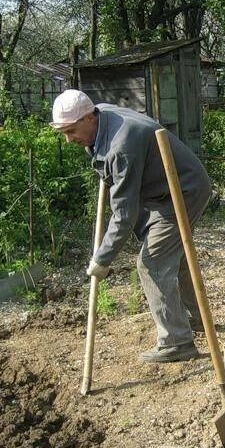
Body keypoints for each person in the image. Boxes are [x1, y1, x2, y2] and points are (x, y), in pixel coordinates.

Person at [50, 89, 212, 363]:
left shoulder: (121, 147)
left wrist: (102, 258)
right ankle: (196, 321)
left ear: (89, 118)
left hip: (182, 191)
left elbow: (124, 213)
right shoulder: (100, 114)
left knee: (152, 263)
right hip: (161, 190)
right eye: (63, 132)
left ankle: (177, 341)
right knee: (175, 255)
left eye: (71, 131)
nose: (68, 139)